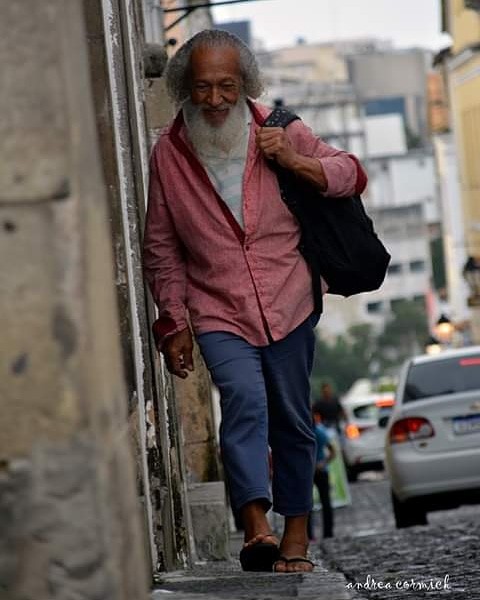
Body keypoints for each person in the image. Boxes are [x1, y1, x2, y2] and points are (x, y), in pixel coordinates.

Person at [143, 29, 367, 573]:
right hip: (217, 305)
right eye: (202, 88)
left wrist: (294, 160)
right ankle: (256, 527)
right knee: (243, 399)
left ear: (244, 84)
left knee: (291, 417)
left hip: (288, 297)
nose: (215, 99)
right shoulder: (169, 154)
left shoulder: (280, 128)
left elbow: (351, 173)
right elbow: (161, 244)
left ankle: (296, 531)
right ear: (183, 89)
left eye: (226, 86)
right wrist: (172, 319)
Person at [311, 410, 335, 539]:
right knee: (325, 503)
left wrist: (322, 463)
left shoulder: (317, 432)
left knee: (309, 504)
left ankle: (312, 534)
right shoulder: (320, 431)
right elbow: (333, 451)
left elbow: (332, 451)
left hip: (314, 471)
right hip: (319, 470)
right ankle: (327, 533)